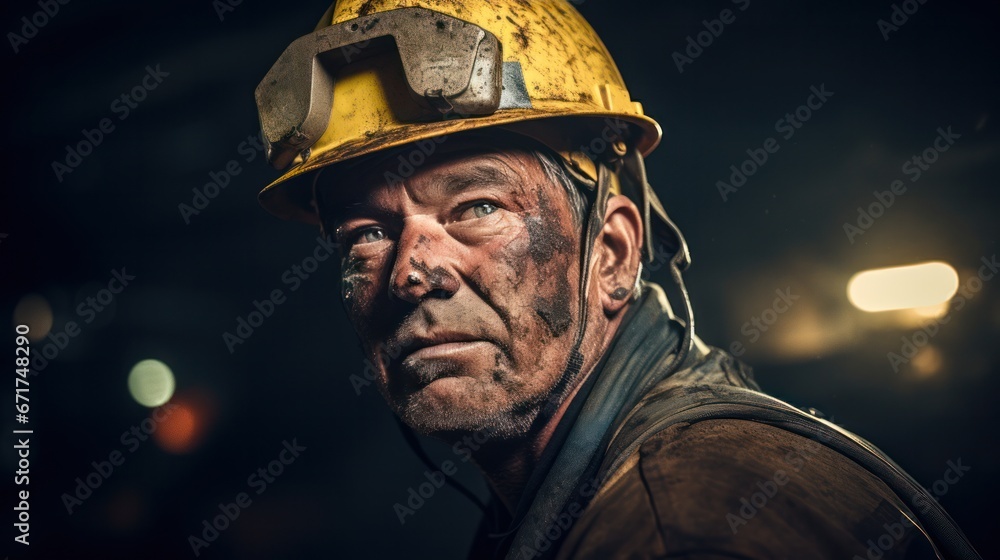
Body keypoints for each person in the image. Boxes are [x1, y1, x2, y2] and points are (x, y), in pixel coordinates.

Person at [252, 1, 981, 558]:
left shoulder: (686, 524)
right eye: (368, 235)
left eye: (476, 207)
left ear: (612, 255)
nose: (412, 272)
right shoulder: (599, 497)